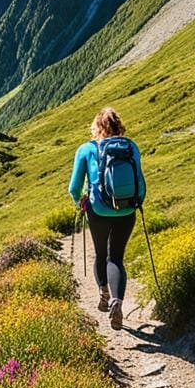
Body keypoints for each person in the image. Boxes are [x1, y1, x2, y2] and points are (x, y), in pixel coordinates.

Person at [68, 107, 145, 330]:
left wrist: (80, 202)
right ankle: (117, 301)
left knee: (101, 255)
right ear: (119, 125)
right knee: (117, 258)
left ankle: (103, 293)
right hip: (127, 210)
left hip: (98, 211)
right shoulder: (131, 147)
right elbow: (139, 179)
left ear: (96, 127)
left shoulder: (86, 149)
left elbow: (74, 187)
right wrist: (137, 202)